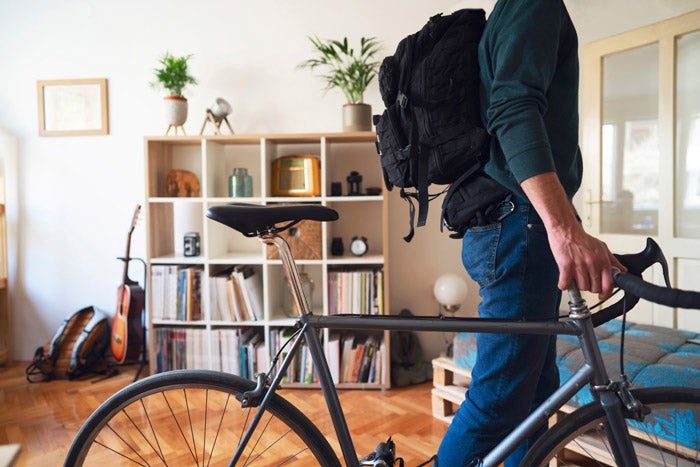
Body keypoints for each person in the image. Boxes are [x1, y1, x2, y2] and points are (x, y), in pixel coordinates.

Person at [436, 0, 626, 465]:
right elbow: (513, 109)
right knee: (500, 401)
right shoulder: (533, 3)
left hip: (514, 224)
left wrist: (572, 230)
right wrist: (561, 228)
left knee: (532, 399)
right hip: (518, 227)